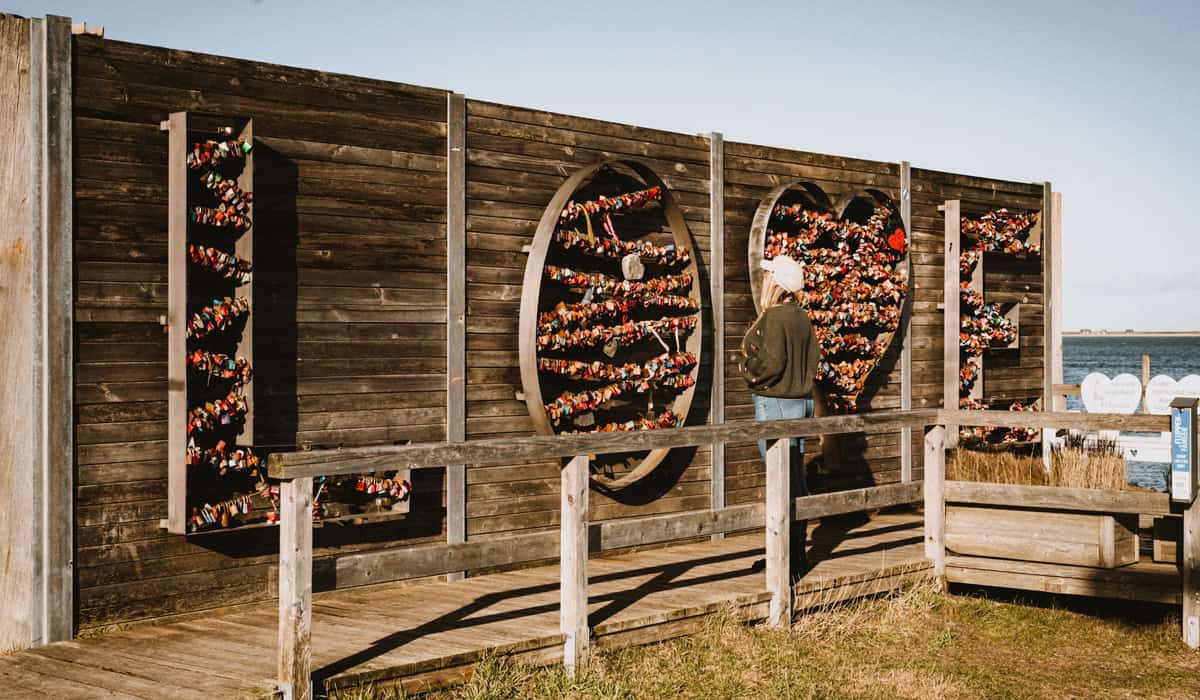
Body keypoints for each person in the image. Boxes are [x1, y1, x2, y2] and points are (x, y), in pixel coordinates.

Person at [739, 255, 819, 576]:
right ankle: (793, 553)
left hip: (775, 403)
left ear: (776, 282)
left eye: (769, 274)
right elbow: (814, 360)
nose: (765, 279)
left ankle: (783, 557)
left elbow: (768, 365)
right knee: (795, 479)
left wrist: (746, 369)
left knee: (779, 480)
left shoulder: (774, 318)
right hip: (801, 402)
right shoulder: (801, 318)